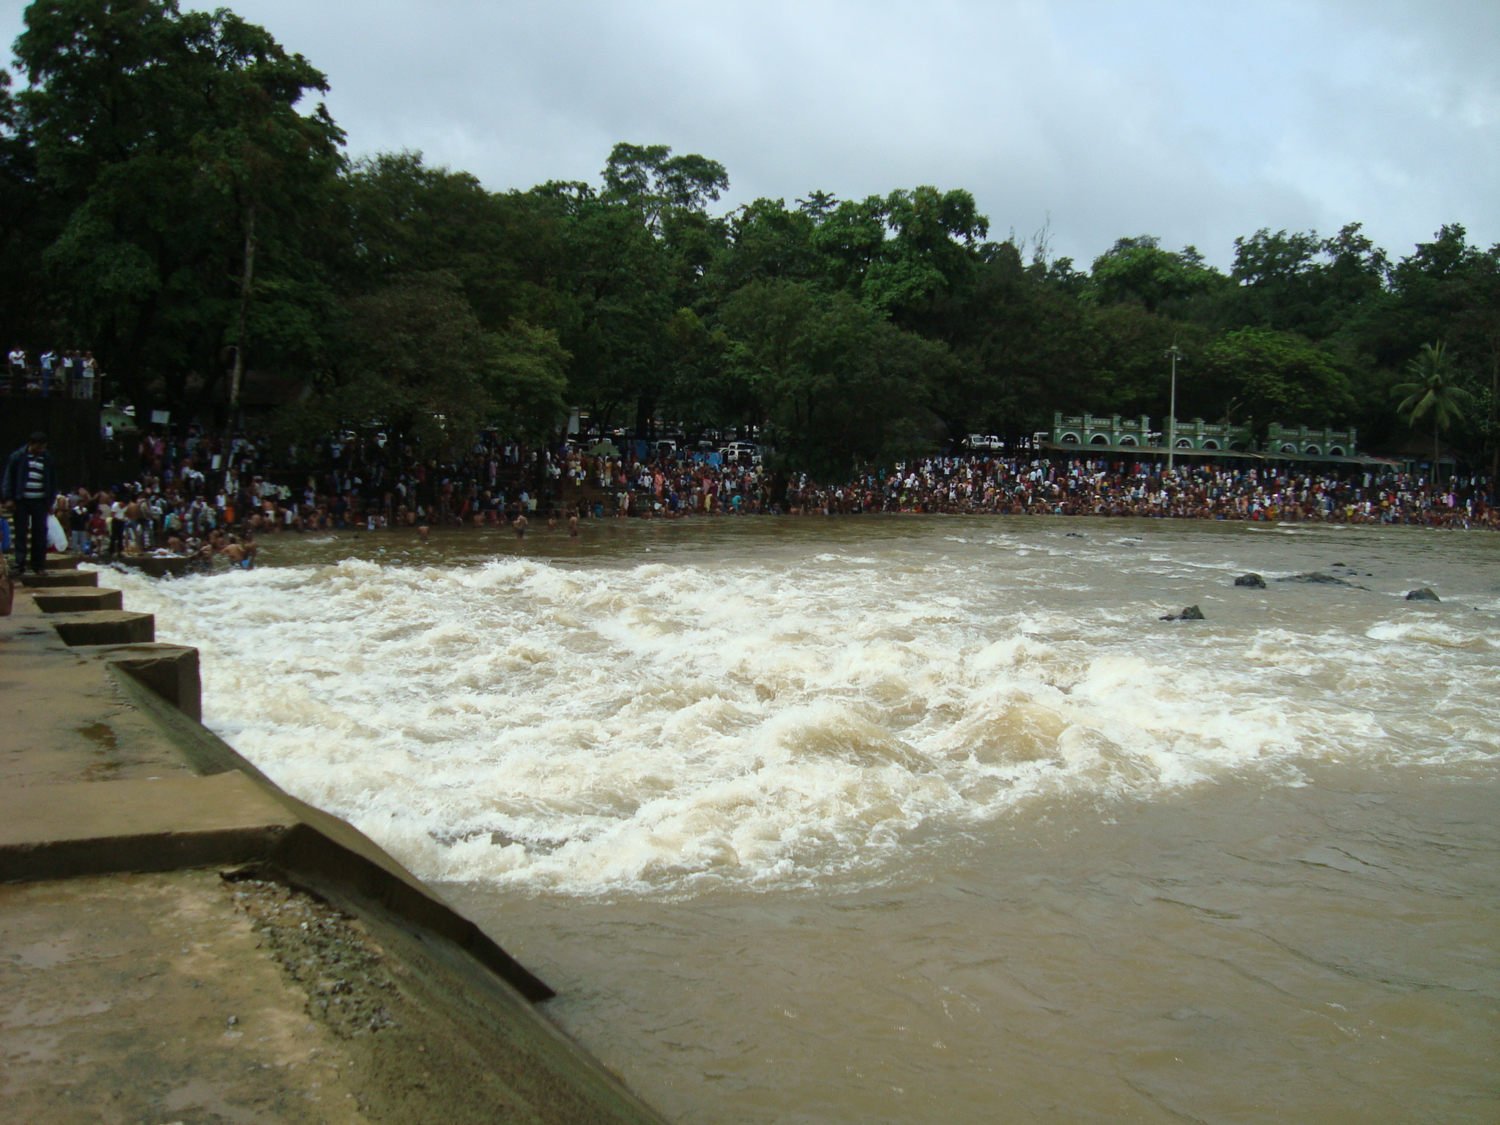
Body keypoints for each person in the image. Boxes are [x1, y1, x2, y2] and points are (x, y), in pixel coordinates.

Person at [3, 431, 58, 576]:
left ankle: (38, 565)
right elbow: (8, 477)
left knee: (40, 533)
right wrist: (8, 498)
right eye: (39, 447)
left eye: (43, 447)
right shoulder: (17, 457)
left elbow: (52, 481)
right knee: (21, 532)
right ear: (31, 444)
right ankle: (19, 563)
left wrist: (51, 502)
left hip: (40, 501)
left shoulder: (47, 459)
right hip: (22, 500)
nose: (41, 450)